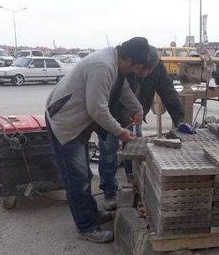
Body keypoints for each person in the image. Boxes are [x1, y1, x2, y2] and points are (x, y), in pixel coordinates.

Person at [45, 37, 155, 243]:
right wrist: (121, 132)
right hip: (66, 122)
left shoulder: (116, 63)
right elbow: (97, 109)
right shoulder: (103, 67)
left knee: (84, 174)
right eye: (136, 67)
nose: (135, 71)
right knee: (77, 178)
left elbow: (123, 91)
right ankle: (86, 226)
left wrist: (138, 108)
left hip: (77, 122)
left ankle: (91, 214)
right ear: (127, 58)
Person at [98, 48, 187, 211]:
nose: (145, 74)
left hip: (136, 115)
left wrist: (180, 120)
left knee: (135, 152)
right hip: (112, 115)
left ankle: (134, 185)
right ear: (136, 63)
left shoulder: (157, 68)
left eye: (149, 70)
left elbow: (168, 93)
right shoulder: (125, 65)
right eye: (142, 69)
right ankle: (109, 192)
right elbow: (109, 98)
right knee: (109, 151)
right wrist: (118, 126)